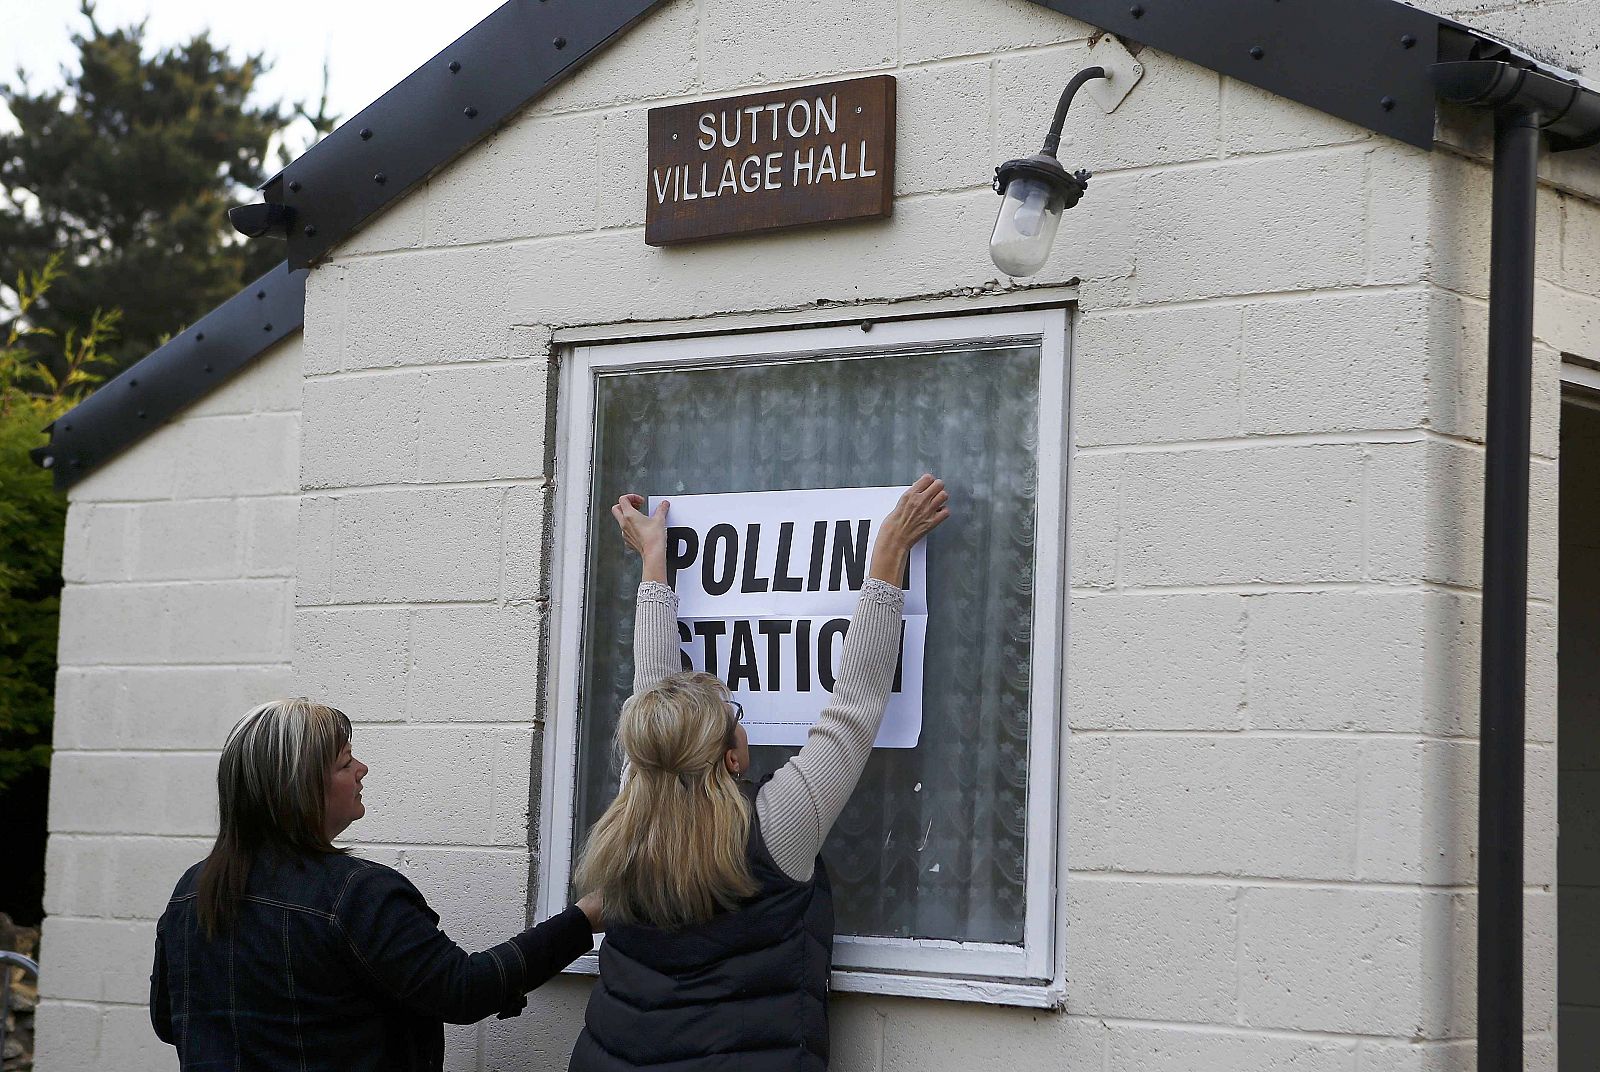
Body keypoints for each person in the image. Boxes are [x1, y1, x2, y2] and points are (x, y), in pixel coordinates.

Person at [569, 475, 950, 1072]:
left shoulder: (631, 820)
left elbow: (652, 688)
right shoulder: (772, 834)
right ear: (731, 758)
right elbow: (852, 710)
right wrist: (888, 556)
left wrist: (653, 564)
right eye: (735, 719)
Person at [150, 698, 602, 1071]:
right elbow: (464, 989)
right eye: (346, 763)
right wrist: (587, 916)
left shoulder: (191, 892)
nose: (362, 769)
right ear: (301, 788)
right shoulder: (356, 895)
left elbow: (169, 1022)